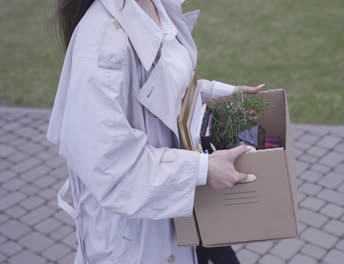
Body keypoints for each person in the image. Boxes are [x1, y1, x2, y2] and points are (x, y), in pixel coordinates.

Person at [48, 0, 263, 263]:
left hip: (182, 212)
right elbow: (111, 169)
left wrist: (222, 94)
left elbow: (168, 91)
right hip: (139, 240)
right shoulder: (102, 44)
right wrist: (203, 169)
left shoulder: (156, 4)